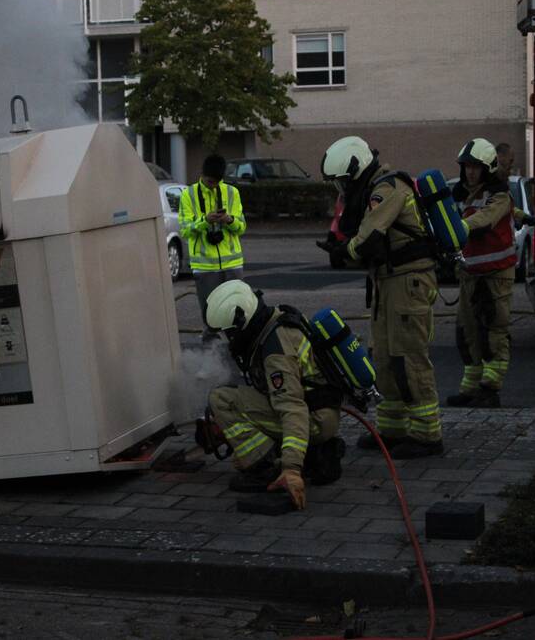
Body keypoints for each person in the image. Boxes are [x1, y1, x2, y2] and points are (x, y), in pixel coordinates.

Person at [321, 136, 443, 459]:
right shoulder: (374, 191)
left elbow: (368, 236)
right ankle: (392, 429)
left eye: (343, 181)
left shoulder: (387, 190)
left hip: (408, 282)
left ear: (356, 169)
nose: (342, 189)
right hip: (387, 281)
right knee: (386, 357)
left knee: (409, 356)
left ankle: (428, 435)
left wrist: (341, 251)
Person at [202, 279, 346, 510]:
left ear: (242, 321)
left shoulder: (275, 353)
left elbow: (292, 408)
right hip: (319, 411)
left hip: (313, 419)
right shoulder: (273, 321)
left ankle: (266, 468)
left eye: (229, 334)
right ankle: (315, 456)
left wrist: (291, 470)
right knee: (240, 451)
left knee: (222, 400)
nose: (228, 341)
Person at [447, 138, 516, 408]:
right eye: (466, 167)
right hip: (470, 274)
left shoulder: (498, 195)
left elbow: (484, 220)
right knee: (467, 332)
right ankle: (471, 388)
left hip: (496, 275)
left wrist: (457, 227)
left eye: (475, 167)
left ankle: (491, 389)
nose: (470, 172)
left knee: (494, 330)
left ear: (486, 168)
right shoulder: (462, 195)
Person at [178, 154, 246, 341]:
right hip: (205, 267)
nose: (213, 185)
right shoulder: (188, 195)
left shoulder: (231, 192)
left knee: (237, 316)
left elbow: (241, 227)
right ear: (202, 175)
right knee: (211, 319)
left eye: (217, 182)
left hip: (232, 265)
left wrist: (229, 220)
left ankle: (238, 357)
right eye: (210, 181)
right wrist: (204, 221)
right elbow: (185, 231)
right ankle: (212, 362)